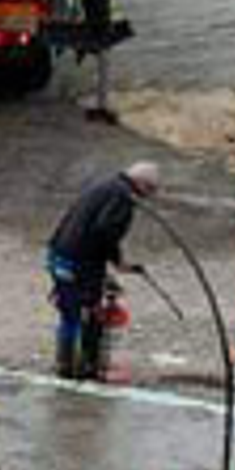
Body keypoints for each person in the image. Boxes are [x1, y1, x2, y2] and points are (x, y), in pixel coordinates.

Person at [45, 160, 158, 380]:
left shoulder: (108, 185)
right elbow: (105, 231)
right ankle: (85, 367)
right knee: (89, 311)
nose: (149, 197)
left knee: (70, 311)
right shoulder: (123, 198)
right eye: (151, 191)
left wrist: (110, 267)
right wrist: (116, 261)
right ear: (143, 184)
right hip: (77, 261)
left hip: (59, 252)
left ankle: (66, 364)